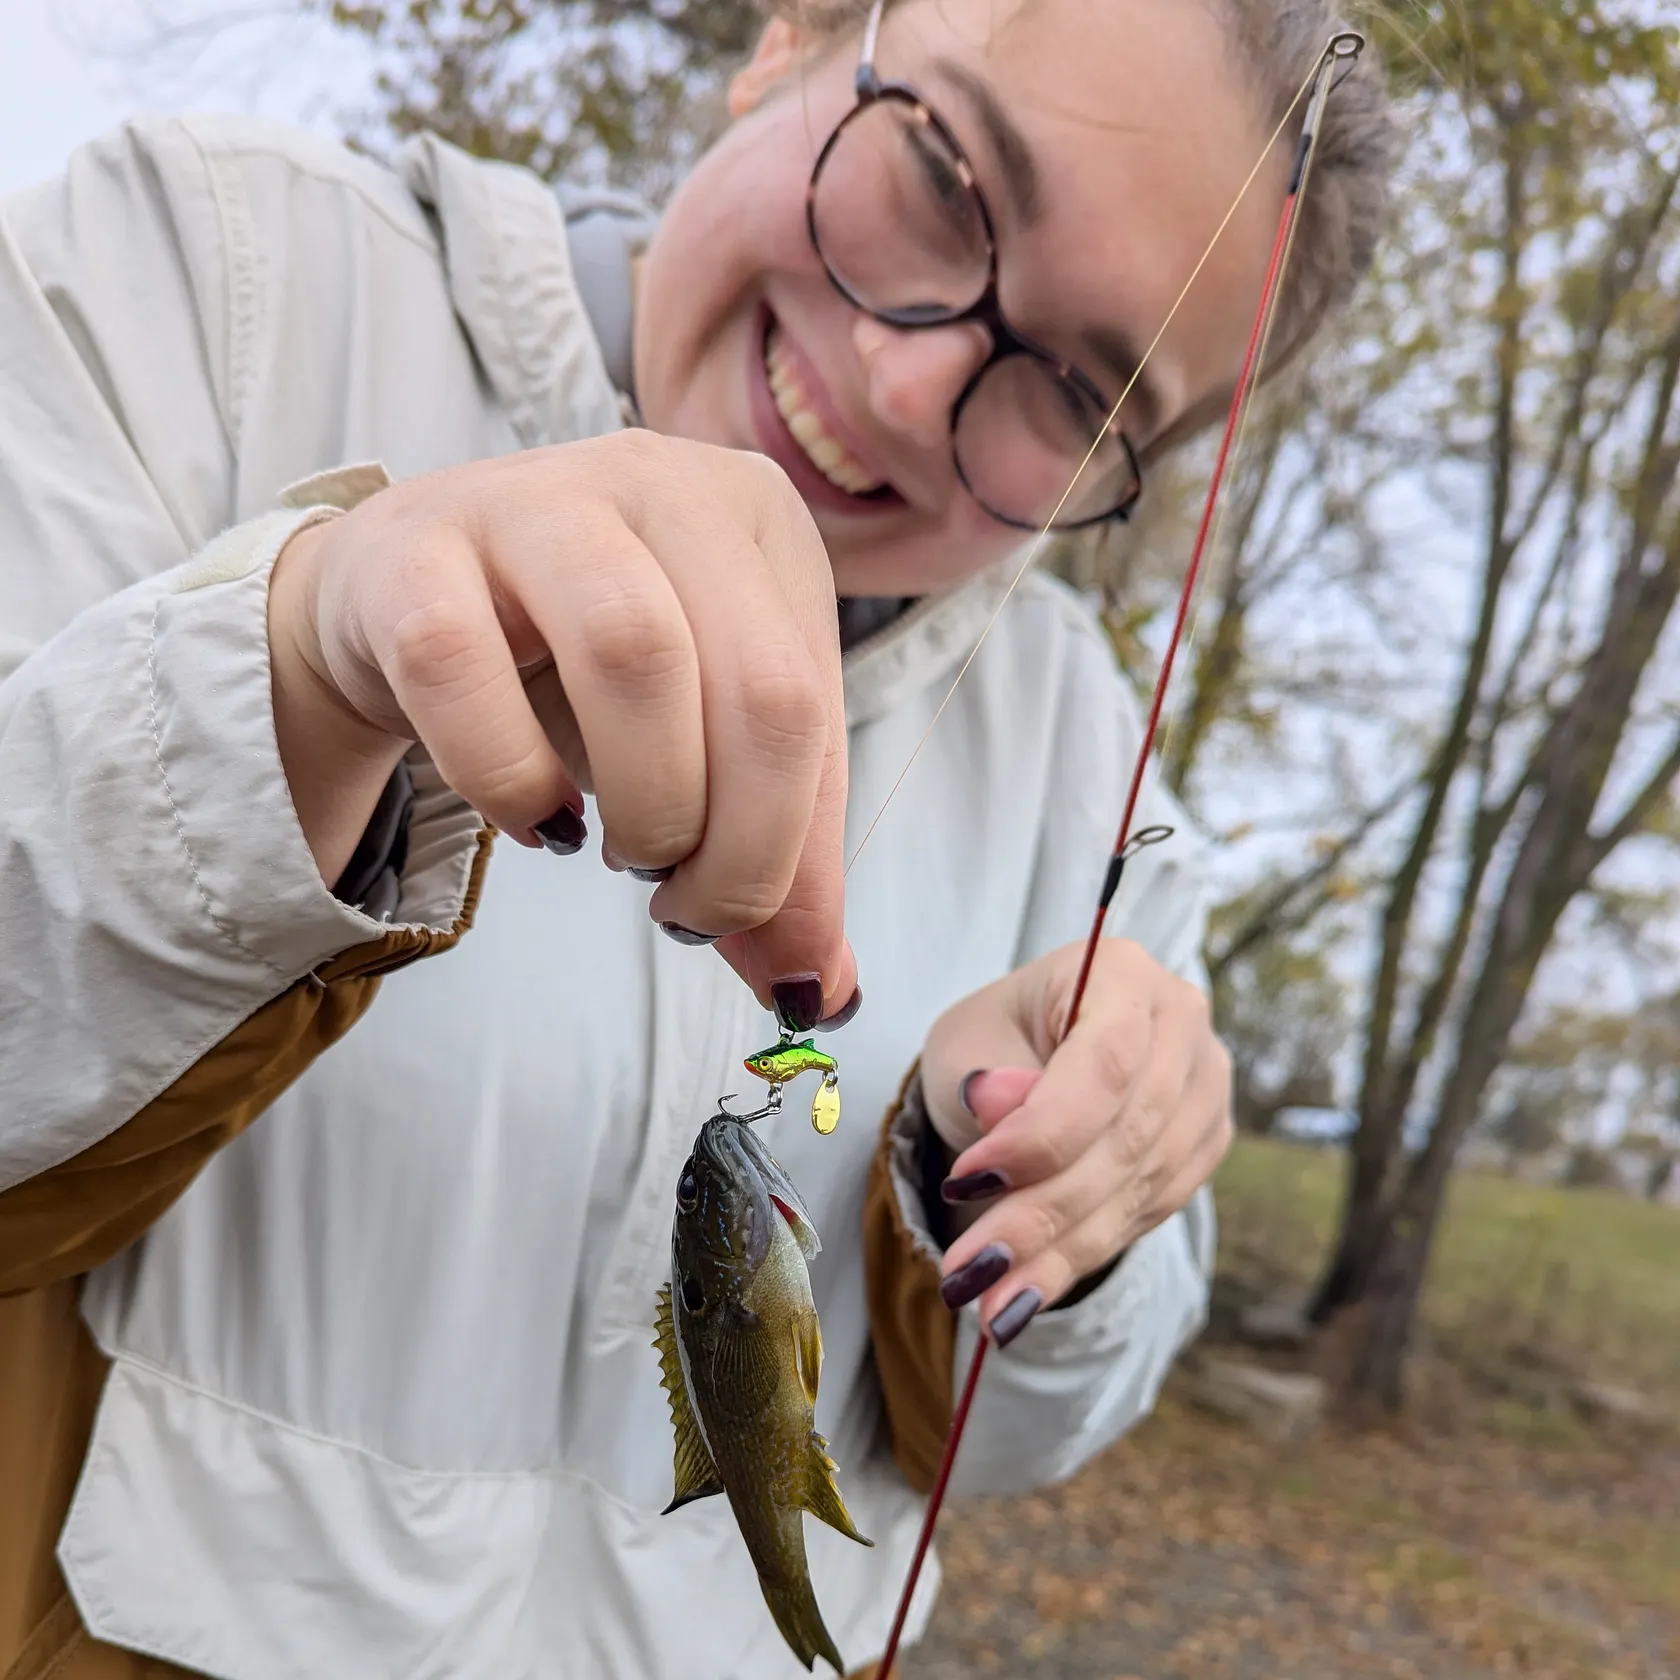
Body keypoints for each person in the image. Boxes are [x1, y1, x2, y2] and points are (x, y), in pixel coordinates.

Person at [0, 0, 1390, 1674]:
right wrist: (292, 669)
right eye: (948, 175)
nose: (901, 380)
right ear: (793, 36)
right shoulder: (205, 269)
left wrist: (1031, 1189)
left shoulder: (1083, 744)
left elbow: (1019, 1443)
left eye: (1085, 386)